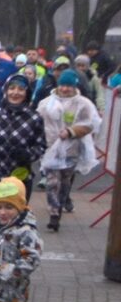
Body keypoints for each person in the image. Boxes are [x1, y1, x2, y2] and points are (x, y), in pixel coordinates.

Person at [36, 71, 101, 231]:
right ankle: (54, 215)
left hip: (72, 149)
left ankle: (60, 205)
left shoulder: (83, 104)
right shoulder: (47, 103)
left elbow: (90, 124)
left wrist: (71, 132)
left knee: (65, 183)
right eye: (62, 85)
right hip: (50, 148)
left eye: (69, 86)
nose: (65, 89)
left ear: (74, 86)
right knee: (52, 182)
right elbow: (37, 121)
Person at [0, 74, 46, 215]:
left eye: (21, 89)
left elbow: (41, 146)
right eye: (12, 88)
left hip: (19, 178)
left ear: (27, 93)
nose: (15, 92)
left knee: (15, 221)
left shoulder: (34, 118)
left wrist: (28, 155)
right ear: (5, 91)